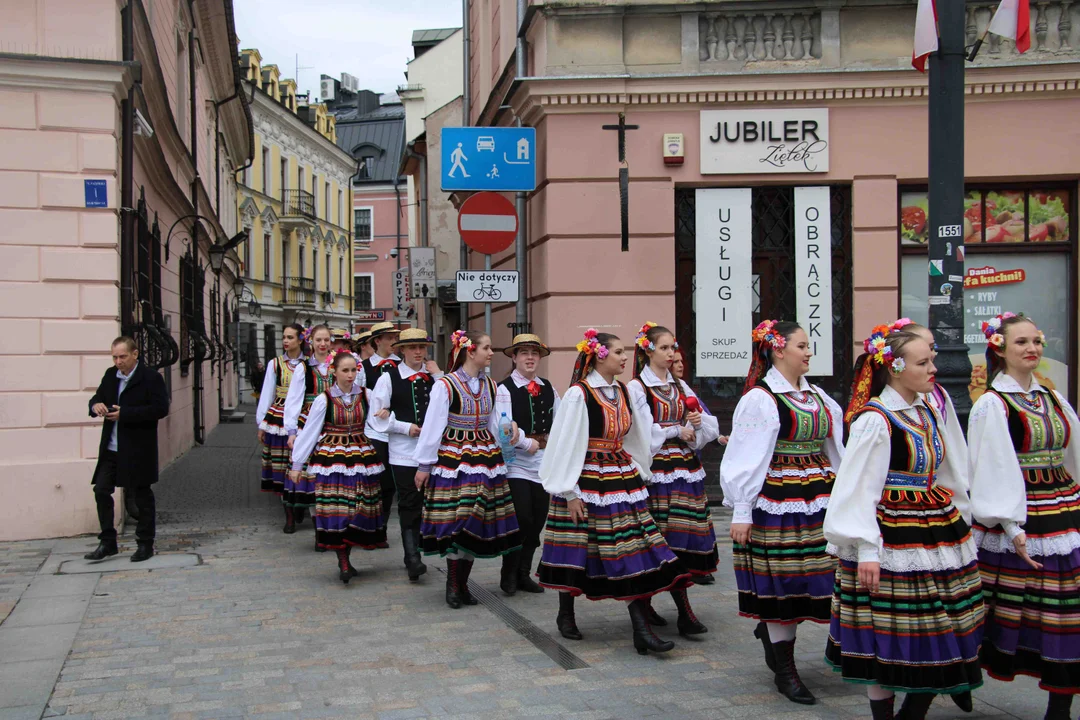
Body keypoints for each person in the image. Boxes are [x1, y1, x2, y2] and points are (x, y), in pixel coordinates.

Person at [824, 325, 983, 720]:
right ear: (895, 369)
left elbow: (948, 472)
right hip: (891, 534)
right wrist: (866, 550)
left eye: (932, 360)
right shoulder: (876, 419)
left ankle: (913, 710)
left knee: (941, 626)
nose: (933, 369)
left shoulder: (928, 409)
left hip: (936, 530)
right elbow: (859, 487)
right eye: (923, 362)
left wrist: (962, 522)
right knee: (888, 633)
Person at [538, 329, 691, 656]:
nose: (625, 357)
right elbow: (565, 444)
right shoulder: (580, 394)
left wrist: (640, 469)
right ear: (600, 355)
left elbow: (635, 435)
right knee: (577, 546)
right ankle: (566, 613)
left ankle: (641, 630)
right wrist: (569, 492)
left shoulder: (622, 390)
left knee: (631, 547)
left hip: (620, 476)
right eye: (619, 352)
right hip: (587, 478)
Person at [719, 320, 844, 704]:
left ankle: (795, 646)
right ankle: (785, 671)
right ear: (778, 349)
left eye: (809, 346)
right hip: (779, 499)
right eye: (802, 346)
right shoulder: (761, 398)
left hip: (819, 496)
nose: (808, 352)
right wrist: (741, 509)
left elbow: (836, 451)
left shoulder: (819, 396)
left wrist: (849, 494)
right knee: (785, 581)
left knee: (825, 575)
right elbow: (745, 456)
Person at [968, 313, 1080, 720]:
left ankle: (1060, 706)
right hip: (1017, 511)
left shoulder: (1052, 398)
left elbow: (1074, 453)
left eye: (1036, 340)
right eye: (1021, 342)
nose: (1032, 348)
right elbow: (989, 468)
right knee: (997, 611)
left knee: (1067, 612)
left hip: (1063, 509)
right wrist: (1012, 525)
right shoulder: (992, 406)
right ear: (999, 348)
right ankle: (959, 677)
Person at [414, 330, 521, 609]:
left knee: (478, 522)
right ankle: (453, 583)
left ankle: (461, 585)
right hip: (455, 459)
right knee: (459, 519)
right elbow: (433, 426)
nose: (491, 353)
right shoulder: (446, 385)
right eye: (486, 348)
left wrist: (506, 447)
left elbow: (495, 425)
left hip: (485, 459)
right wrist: (424, 464)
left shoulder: (493, 386)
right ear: (470, 352)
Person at [628, 323, 719, 634]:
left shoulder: (680, 386)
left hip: (685, 470)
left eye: (673, 347)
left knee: (681, 540)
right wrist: (672, 429)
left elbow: (707, 430)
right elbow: (638, 432)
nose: (671, 353)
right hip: (658, 474)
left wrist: (695, 424)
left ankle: (682, 611)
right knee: (656, 541)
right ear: (648, 349)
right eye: (664, 347)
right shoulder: (637, 388)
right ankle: (651, 608)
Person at [289, 349, 385, 584]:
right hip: (332, 459)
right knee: (338, 510)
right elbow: (310, 432)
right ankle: (343, 561)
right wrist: (297, 464)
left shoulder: (367, 395)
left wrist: (387, 416)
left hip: (361, 457)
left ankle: (347, 555)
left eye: (353, 370)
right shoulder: (324, 399)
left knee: (359, 506)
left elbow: (379, 422)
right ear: (334, 371)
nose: (350, 375)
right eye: (345, 370)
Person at [85, 337, 170, 563]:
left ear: (135, 354)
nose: (118, 361)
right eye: (114, 357)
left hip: (137, 447)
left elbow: (161, 408)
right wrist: (95, 405)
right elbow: (98, 397)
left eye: (122, 356)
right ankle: (108, 542)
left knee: (141, 496)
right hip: (111, 448)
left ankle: (145, 544)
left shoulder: (150, 378)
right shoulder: (110, 376)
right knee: (101, 490)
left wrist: (127, 413)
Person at [368, 328, 443, 582]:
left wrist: (440, 375)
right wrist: (405, 427)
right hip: (403, 454)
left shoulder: (435, 378)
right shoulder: (388, 378)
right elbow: (377, 420)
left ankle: (421, 547)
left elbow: (449, 407)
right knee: (409, 503)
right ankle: (412, 558)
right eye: (412, 348)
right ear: (402, 350)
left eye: (422, 347)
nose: (418, 352)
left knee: (429, 504)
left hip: (433, 453)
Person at [495, 334, 560, 596]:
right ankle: (508, 572)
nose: (530, 357)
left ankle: (524, 573)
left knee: (537, 521)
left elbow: (561, 420)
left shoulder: (548, 387)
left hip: (542, 463)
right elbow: (502, 427)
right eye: (524, 353)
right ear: (514, 357)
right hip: (515, 462)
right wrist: (524, 443)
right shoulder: (504, 389)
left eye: (534, 353)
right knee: (522, 518)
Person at [281, 325, 335, 535]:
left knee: (331, 477)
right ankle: (318, 530)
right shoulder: (304, 368)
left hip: (333, 424)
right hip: (310, 425)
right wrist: (292, 431)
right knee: (312, 479)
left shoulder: (338, 365)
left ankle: (332, 526)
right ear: (310, 341)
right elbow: (293, 400)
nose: (323, 344)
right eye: (318, 340)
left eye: (326, 340)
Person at [255, 323, 307, 503]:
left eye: (290, 337)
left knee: (300, 458)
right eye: (284, 337)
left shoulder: (308, 363)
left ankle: (300, 499)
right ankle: (287, 505)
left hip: (302, 414)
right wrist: (261, 423)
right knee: (280, 460)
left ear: (301, 340)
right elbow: (267, 392)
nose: (285, 341)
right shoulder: (275, 363)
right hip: (278, 416)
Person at [362, 322, 402, 543]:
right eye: (389, 338)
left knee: (392, 485)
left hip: (399, 431)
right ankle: (375, 527)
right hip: (375, 432)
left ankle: (382, 527)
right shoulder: (364, 367)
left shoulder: (401, 366)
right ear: (377, 341)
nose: (393, 342)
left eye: (395, 337)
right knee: (379, 482)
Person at [672, 347, 727, 447]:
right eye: (676, 362)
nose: (681, 365)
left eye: (681, 361)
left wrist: (718, 438)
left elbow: (702, 412)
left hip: (688, 450)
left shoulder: (684, 387)